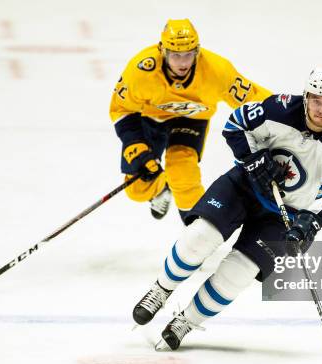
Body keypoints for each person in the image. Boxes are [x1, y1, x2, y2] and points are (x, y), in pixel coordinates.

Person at [132, 67, 322, 350]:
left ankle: (185, 321)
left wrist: (311, 222)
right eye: (317, 100)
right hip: (242, 187)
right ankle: (160, 290)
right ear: (306, 96)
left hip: (283, 215)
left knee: (238, 274)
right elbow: (235, 124)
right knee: (199, 237)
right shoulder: (279, 107)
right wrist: (253, 160)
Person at [110, 19, 271, 223]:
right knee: (137, 189)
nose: (183, 62)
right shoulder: (141, 71)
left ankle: (199, 227)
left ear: (197, 50)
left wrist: (289, 115)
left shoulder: (217, 70)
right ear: (163, 51)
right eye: (175, 55)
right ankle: (163, 185)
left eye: (188, 54)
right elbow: (122, 109)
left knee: (182, 169)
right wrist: (136, 146)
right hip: (151, 118)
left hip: (192, 120)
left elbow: (254, 99)